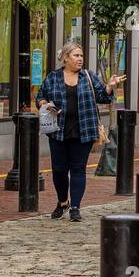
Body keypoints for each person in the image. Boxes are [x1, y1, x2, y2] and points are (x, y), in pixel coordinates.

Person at [37, 42, 125, 222]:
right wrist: (45, 105)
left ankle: (75, 207)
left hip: (83, 130)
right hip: (58, 132)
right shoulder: (53, 77)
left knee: (78, 170)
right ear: (66, 58)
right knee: (59, 170)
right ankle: (63, 202)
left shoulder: (88, 76)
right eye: (76, 56)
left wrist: (110, 85)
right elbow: (40, 97)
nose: (80, 59)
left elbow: (102, 96)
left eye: (81, 56)